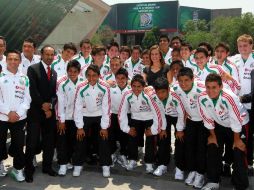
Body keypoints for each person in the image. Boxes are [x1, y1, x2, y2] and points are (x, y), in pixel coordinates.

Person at [199, 73, 249, 190]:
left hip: (240, 124)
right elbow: (207, 118)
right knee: (213, 146)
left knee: (238, 150)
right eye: (208, 87)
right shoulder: (202, 97)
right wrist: (213, 136)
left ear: (221, 87)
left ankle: (240, 184)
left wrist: (236, 140)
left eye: (214, 87)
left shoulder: (229, 97)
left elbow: (236, 120)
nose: (210, 91)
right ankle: (213, 181)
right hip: (220, 124)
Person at [118, 74, 166, 173]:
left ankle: (149, 162)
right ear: (130, 86)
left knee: (150, 140)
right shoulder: (127, 95)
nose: (136, 89)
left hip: (149, 119)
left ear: (144, 86)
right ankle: (132, 160)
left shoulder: (149, 96)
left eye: (139, 86)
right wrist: (127, 129)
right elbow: (121, 113)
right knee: (132, 137)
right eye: (134, 86)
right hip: (135, 119)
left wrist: (153, 130)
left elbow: (157, 113)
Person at [25, 45, 58, 183]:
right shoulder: (33, 69)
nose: (49, 57)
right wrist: (43, 106)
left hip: (49, 114)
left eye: (52, 55)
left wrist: (50, 106)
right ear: (41, 55)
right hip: (35, 113)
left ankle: (47, 166)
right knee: (32, 142)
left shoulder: (54, 72)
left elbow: (54, 94)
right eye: (47, 54)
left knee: (49, 142)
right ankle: (29, 171)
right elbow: (32, 91)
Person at [74, 64, 112, 177]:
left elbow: (106, 108)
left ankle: (105, 165)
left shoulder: (105, 87)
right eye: (89, 76)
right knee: (80, 139)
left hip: (100, 115)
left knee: (103, 139)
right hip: (85, 116)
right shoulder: (81, 87)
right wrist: (79, 127)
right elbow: (78, 107)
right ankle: (78, 164)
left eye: (94, 76)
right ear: (86, 76)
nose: (91, 78)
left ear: (99, 76)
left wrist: (104, 127)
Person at [173, 67, 208, 189]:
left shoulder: (202, 89)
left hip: (205, 122)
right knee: (189, 147)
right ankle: (192, 170)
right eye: (181, 80)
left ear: (193, 79)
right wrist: (180, 128)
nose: (183, 84)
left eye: (187, 80)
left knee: (201, 149)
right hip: (191, 121)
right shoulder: (177, 90)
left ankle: (200, 173)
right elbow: (180, 110)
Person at [0, 50, 31, 182]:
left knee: (18, 145)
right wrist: (8, 112)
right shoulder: (0, 76)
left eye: (16, 59)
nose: (13, 62)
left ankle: (18, 169)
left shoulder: (24, 78)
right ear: (6, 60)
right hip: (2, 117)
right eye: (10, 59)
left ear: (20, 61)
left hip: (19, 118)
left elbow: (27, 99)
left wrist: (17, 113)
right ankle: (0, 164)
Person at [145, 77, 185, 177]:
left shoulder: (175, 96)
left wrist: (179, 129)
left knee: (180, 139)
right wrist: (162, 128)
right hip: (164, 116)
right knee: (162, 137)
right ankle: (163, 164)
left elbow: (182, 113)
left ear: (168, 89)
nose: (160, 95)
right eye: (158, 92)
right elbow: (158, 113)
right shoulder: (153, 96)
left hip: (177, 116)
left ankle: (180, 167)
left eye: (163, 92)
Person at [56, 60, 85, 177]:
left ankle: (78, 165)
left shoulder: (84, 82)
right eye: (70, 71)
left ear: (79, 72)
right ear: (67, 71)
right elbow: (60, 103)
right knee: (63, 142)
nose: (72, 73)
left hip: (80, 118)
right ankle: (63, 163)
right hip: (66, 117)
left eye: (75, 71)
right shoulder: (62, 84)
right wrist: (61, 121)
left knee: (78, 142)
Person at [234, 34, 254, 174]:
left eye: (246, 45)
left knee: (251, 135)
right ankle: (242, 163)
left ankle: (250, 162)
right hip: (238, 105)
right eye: (240, 46)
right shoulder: (234, 59)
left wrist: (243, 98)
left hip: (251, 103)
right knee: (241, 135)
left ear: (252, 46)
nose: (243, 48)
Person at [109, 68, 130, 168]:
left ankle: (123, 154)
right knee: (112, 136)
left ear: (127, 78)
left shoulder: (130, 90)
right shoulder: (111, 89)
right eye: (118, 78)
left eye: (123, 78)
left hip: (126, 116)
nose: (120, 80)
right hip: (113, 115)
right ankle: (112, 154)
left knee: (124, 136)